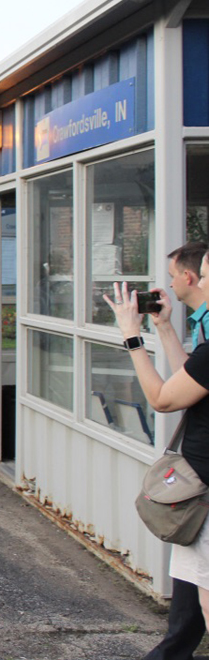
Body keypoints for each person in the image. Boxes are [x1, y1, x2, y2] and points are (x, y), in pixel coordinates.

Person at [104, 252, 209, 657]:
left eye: (203, 276)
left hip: (203, 489)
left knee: (202, 605)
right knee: (189, 610)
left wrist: (132, 336)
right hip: (197, 491)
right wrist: (164, 327)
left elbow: (164, 399)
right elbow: (193, 378)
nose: (198, 283)